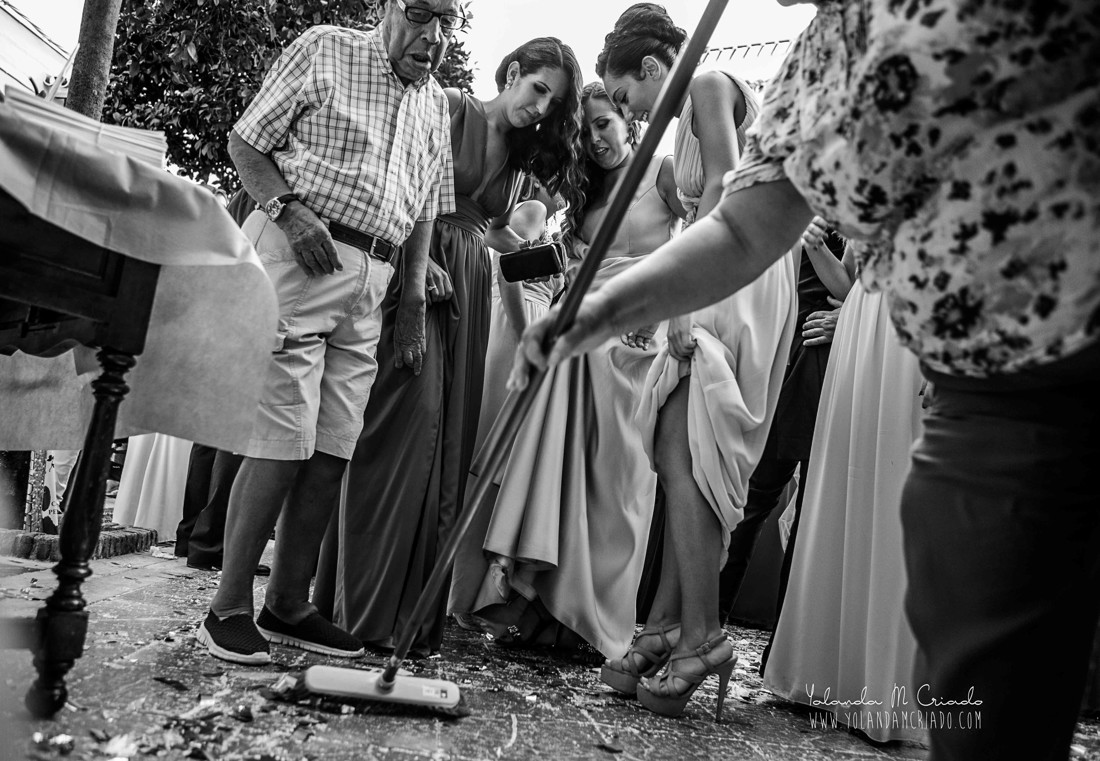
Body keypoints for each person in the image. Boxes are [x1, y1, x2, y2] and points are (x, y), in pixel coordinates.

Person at [514, 0, 1100, 757]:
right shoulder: (829, 48)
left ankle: (688, 630)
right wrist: (589, 316)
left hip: (1068, 358)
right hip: (979, 399)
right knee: (983, 690)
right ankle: (678, 627)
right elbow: (742, 225)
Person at [197, 0, 461, 666]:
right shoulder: (326, 47)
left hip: (373, 275)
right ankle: (226, 605)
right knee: (284, 435)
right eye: (422, 14)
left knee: (334, 443)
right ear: (387, 9)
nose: (433, 35)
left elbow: (427, 206)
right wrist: (287, 211)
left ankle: (287, 604)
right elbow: (246, 141)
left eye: (447, 21)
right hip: (299, 251)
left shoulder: (436, 103)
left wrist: (408, 302)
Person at [313, 37, 586, 657]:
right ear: (512, 72)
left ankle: (409, 620)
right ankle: (360, 610)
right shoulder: (450, 107)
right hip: (420, 278)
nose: (541, 107)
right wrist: (421, 265)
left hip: (471, 291)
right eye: (538, 88)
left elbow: (491, 233)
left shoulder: (519, 159)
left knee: (445, 451)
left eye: (553, 101)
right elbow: (406, 185)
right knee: (402, 434)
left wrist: (543, 261)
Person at [586, 3, 797, 720]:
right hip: (741, 271)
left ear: (650, 68)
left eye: (622, 96)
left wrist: (681, 301)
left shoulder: (708, 81)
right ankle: (666, 625)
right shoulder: (688, 114)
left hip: (733, 276)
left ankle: (703, 635)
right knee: (687, 452)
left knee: (684, 449)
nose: (627, 111)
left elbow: (727, 191)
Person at [447, 81, 686, 656]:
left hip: (635, 337)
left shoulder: (664, 172)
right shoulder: (577, 196)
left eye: (604, 123)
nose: (597, 139)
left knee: (616, 480)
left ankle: (590, 614)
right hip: (577, 334)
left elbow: (707, 230)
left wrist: (672, 312)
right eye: (585, 131)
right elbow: (519, 240)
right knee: (557, 450)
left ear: (627, 120)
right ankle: (539, 609)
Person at [764, 272, 925, 744]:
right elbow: (850, 268)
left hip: (908, 322)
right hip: (861, 316)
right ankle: (834, 675)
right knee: (844, 485)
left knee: (893, 491)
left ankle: (884, 685)